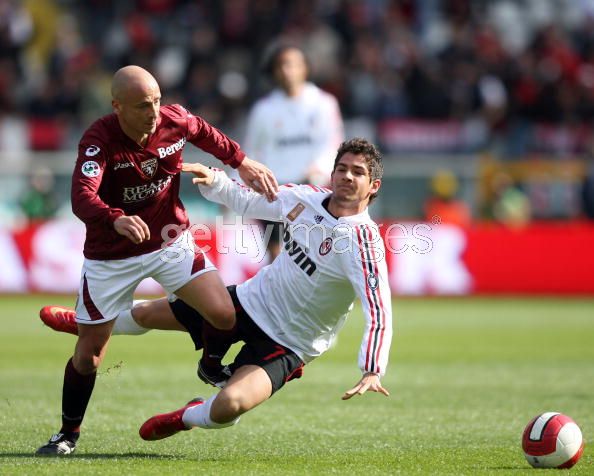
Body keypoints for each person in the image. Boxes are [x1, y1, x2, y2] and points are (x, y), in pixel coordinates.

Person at [41, 138, 393, 441]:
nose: (347, 176)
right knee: (147, 313)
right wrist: (216, 181)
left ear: (373, 185)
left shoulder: (363, 242)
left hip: (291, 341)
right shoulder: (308, 199)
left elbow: (378, 308)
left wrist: (372, 367)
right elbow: (252, 200)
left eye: (358, 172)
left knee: (230, 406)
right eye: (342, 168)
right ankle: (87, 324)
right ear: (332, 173)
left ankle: (187, 415)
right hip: (251, 300)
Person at [35, 65, 278, 457]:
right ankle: (67, 434)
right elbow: (82, 196)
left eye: (156, 101)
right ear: (117, 106)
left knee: (223, 314)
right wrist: (114, 218)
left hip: (169, 240)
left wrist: (241, 161)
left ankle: (210, 366)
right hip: (111, 256)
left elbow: (205, 132)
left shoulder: (173, 120)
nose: (153, 112)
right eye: (142, 106)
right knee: (89, 357)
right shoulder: (99, 140)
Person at [244, 42, 344, 259]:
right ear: (274, 71)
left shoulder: (324, 104)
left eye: (293, 64)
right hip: (275, 192)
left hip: (313, 190)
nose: (287, 70)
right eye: (281, 65)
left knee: (313, 254)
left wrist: (318, 171)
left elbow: (332, 145)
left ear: (305, 68)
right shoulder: (263, 109)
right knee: (277, 255)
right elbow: (251, 152)